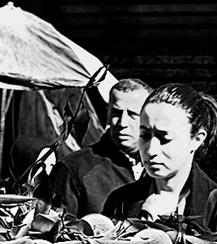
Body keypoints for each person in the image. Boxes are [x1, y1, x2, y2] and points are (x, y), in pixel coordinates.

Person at [103, 84, 217, 239]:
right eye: (144, 136)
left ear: (197, 139)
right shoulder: (120, 201)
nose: (151, 150)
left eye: (165, 138)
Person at [50, 78, 149, 217]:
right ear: (107, 114)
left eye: (133, 114)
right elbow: (57, 228)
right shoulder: (73, 168)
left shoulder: (165, 166)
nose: (123, 122)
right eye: (116, 113)